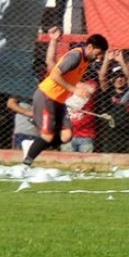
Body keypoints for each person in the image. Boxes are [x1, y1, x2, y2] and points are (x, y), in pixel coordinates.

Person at [23, 32, 109, 167]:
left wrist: (80, 86)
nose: (99, 58)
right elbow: (55, 75)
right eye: (99, 53)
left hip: (59, 100)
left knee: (66, 136)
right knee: (47, 137)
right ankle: (25, 165)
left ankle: (33, 145)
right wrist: (74, 90)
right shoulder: (76, 55)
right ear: (91, 47)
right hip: (47, 96)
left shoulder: (85, 60)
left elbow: (67, 75)